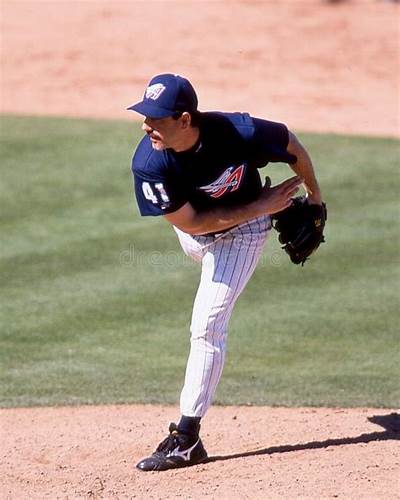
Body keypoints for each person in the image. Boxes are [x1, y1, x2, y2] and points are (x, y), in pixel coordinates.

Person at [128, 74, 323, 471]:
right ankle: (266, 214)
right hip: (199, 232)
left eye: (156, 118)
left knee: (207, 324)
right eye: (145, 115)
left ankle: (186, 438)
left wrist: (315, 200)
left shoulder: (238, 132)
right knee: (206, 254)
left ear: (185, 120)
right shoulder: (150, 162)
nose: (145, 125)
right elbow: (193, 223)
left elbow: (291, 145)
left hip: (244, 234)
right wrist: (263, 205)